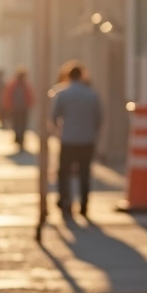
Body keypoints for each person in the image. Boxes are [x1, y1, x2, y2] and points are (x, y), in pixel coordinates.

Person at [50, 62, 103, 217]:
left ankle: (65, 202)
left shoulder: (61, 93)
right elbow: (99, 118)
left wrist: (59, 132)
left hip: (68, 139)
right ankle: (84, 205)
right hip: (87, 140)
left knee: (64, 173)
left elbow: (54, 117)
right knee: (84, 173)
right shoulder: (92, 94)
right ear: (82, 75)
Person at [2, 67, 34, 153]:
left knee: (20, 124)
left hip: (20, 108)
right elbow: (8, 96)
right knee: (19, 124)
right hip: (17, 109)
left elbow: (29, 96)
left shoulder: (18, 85)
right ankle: (19, 139)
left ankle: (20, 139)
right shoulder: (15, 85)